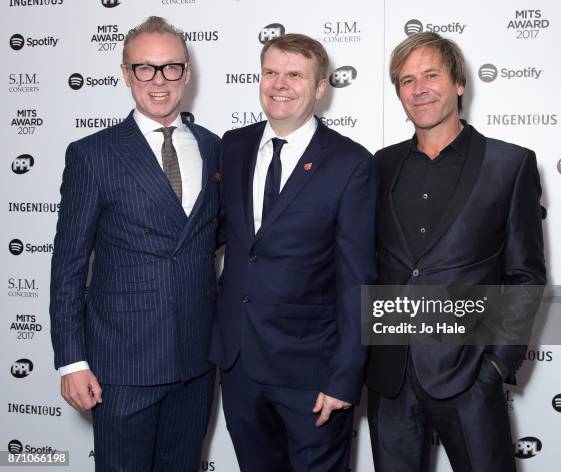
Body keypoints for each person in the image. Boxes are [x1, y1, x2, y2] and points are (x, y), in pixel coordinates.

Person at [366, 32, 546, 472]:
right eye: (407, 81)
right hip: (389, 376)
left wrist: (498, 365)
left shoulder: (510, 164)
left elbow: (526, 275)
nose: (419, 89)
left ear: (459, 83)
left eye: (431, 75)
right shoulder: (379, 164)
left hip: (469, 373)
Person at [49, 16, 220, 472]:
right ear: (126, 73)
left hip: (196, 359)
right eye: (145, 68)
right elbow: (67, 265)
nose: (159, 81)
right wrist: (71, 362)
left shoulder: (214, 147)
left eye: (170, 68)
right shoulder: (93, 153)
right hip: (122, 365)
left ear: (187, 72)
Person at [210, 33, 377, 471]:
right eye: (271, 72)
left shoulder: (351, 163)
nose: (279, 84)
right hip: (239, 364)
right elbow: (226, 236)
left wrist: (345, 378)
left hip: (312, 373)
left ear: (320, 88)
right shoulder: (234, 145)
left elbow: (358, 280)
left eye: (295, 75)